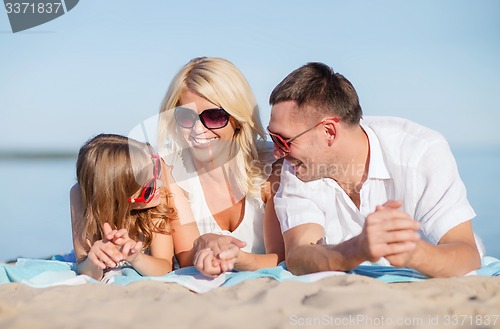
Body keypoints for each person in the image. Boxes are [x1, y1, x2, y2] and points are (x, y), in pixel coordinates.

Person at [267, 62, 482, 278]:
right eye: (272, 138)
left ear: (329, 132)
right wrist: (357, 249)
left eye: (283, 140)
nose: (277, 153)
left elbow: (467, 254)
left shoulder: (420, 153)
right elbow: (298, 255)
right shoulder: (297, 167)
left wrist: (410, 252)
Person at [157, 57, 284, 276]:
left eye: (214, 116)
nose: (198, 129)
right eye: (186, 116)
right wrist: (204, 243)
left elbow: (282, 258)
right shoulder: (170, 170)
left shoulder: (273, 166)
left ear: (237, 119)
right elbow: (187, 260)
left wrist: (238, 258)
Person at [70, 134, 178, 280]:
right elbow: (84, 268)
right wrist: (94, 260)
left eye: (156, 170)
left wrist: (136, 257)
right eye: (148, 190)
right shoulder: (80, 195)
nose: (159, 184)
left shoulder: (158, 200)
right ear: (118, 199)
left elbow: (165, 267)